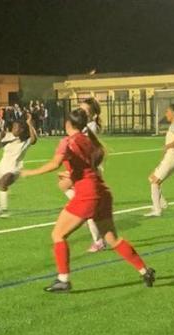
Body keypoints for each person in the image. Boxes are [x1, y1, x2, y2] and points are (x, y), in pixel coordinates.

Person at [22, 108, 155, 293]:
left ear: (67, 124)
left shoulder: (67, 141)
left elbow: (54, 164)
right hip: (102, 192)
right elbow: (87, 168)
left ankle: (63, 280)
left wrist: (29, 172)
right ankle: (145, 270)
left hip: (87, 194)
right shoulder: (88, 140)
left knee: (57, 235)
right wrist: (72, 175)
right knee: (113, 239)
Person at [60, 97, 107, 252]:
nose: (81, 112)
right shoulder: (86, 128)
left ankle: (98, 240)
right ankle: (97, 232)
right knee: (65, 187)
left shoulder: (90, 127)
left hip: (90, 170)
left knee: (84, 204)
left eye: (85, 110)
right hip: (84, 169)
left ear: (92, 115)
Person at [0, 113, 37, 218]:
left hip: (14, 168)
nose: (13, 129)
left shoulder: (25, 141)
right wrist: (0, 137)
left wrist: (29, 123)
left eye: (16, 127)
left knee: (3, 183)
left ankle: (4, 210)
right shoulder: (8, 136)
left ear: (21, 130)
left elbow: (34, 140)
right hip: (1, 166)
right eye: (13, 127)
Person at [145, 102, 174, 217]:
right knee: (152, 177)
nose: (166, 113)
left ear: (173, 113)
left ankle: (157, 210)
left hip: (173, 157)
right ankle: (162, 203)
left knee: (155, 182)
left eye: (168, 111)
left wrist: (167, 146)